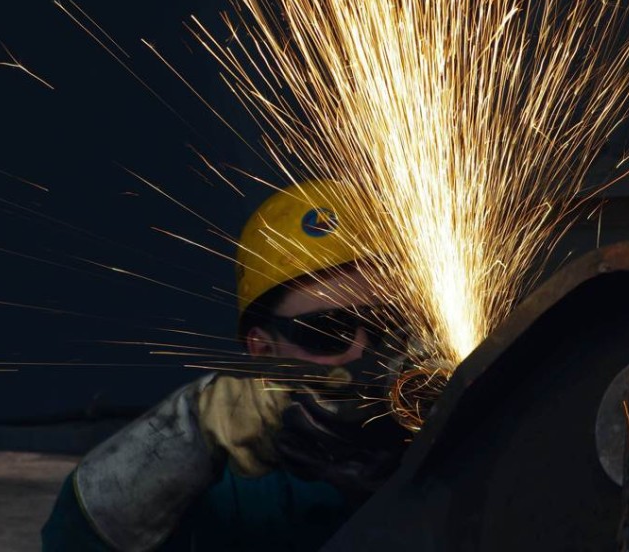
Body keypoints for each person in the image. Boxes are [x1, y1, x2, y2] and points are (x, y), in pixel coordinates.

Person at [41, 179, 410, 551]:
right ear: (262, 350)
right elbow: (75, 542)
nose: (361, 351)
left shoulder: (449, 439)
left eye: (389, 322)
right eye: (326, 331)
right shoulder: (226, 491)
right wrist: (190, 427)